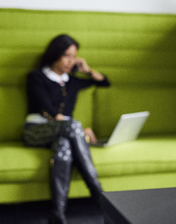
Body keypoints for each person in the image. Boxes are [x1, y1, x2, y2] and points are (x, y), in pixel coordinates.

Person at [23, 34, 110, 224]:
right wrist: (78, 129)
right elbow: (52, 112)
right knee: (72, 126)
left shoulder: (72, 81)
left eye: (74, 57)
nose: (71, 61)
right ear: (54, 54)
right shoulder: (36, 77)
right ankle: (98, 193)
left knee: (63, 148)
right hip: (35, 131)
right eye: (66, 56)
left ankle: (57, 214)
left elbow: (104, 82)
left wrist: (88, 70)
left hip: (65, 132)